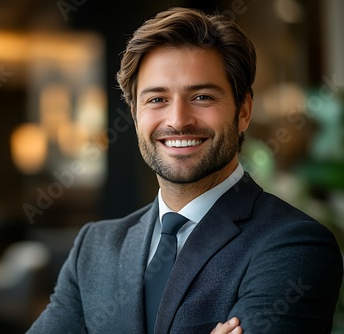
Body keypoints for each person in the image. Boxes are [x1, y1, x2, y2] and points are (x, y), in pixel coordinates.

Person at [27, 7, 343, 334]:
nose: (178, 120)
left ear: (244, 111)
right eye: (157, 99)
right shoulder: (95, 248)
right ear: (135, 114)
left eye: (202, 96)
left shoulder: (292, 245)